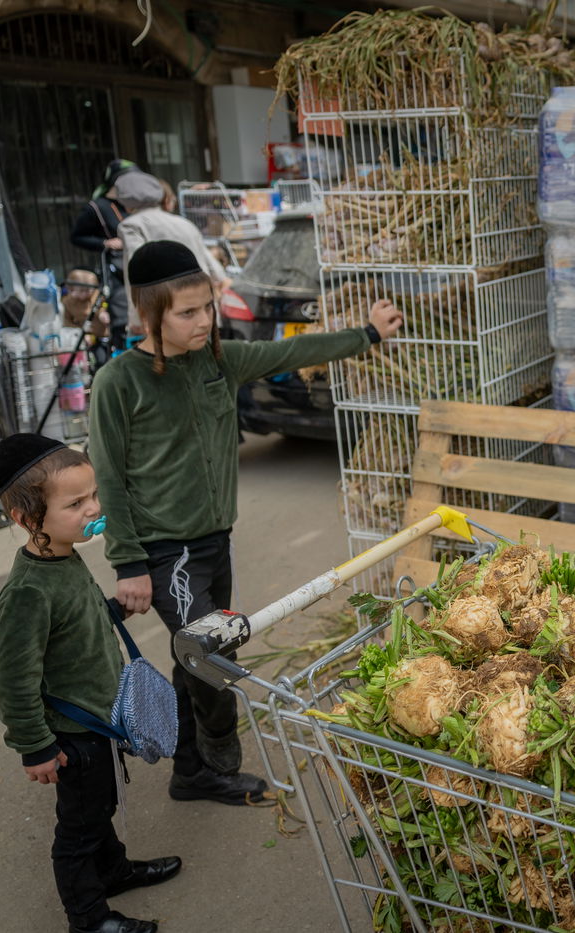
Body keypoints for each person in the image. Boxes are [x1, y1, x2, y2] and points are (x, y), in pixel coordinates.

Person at [88, 240, 404, 805]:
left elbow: (289, 351)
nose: (203, 321)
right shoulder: (118, 381)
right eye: (187, 312)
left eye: (208, 307)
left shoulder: (218, 359)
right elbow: (108, 477)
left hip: (216, 542)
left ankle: (190, 771)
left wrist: (368, 335)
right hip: (167, 552)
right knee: (211, 654)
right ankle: (217, 762)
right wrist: (128, 563)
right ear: (149, 312)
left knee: (194, 656)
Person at [0, 433, 181, 933]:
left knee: (101, 805)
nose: (93, 508)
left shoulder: (64, 555)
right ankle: (89, 918)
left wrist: (114, 609)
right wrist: (35, 747)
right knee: (79, 828)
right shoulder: (28, 591)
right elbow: (14, 680)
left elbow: (72, 623)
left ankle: (112, 871)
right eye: (75, 503)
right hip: (72, 735)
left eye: (93, 495)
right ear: (28, 519)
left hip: (100, 719)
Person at [114, 172, 230, 336]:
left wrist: (137, 318)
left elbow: (135, 272)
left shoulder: (132, 225)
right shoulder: (184, 223)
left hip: (170, 312)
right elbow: (211, 264)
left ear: (126, 201)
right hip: (203, 306)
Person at [70, 159, 138, 352]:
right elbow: (76, 237)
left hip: (138, 266)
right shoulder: (97, 206)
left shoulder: (132, 204)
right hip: (117, 272)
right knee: (122, 321)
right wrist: (105, 243)